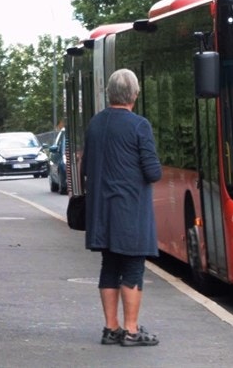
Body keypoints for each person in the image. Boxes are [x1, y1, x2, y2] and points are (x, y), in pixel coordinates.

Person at [81, 68, 162, 347]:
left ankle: (111, 327)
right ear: (134, 95)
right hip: (130, 211)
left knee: (109, 265)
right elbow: (152, 172)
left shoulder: (95, 124)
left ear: (109, 94)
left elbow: (85, 167)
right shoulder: (140, 126)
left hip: (101, 212)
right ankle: (131, 330)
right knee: (133, 267)